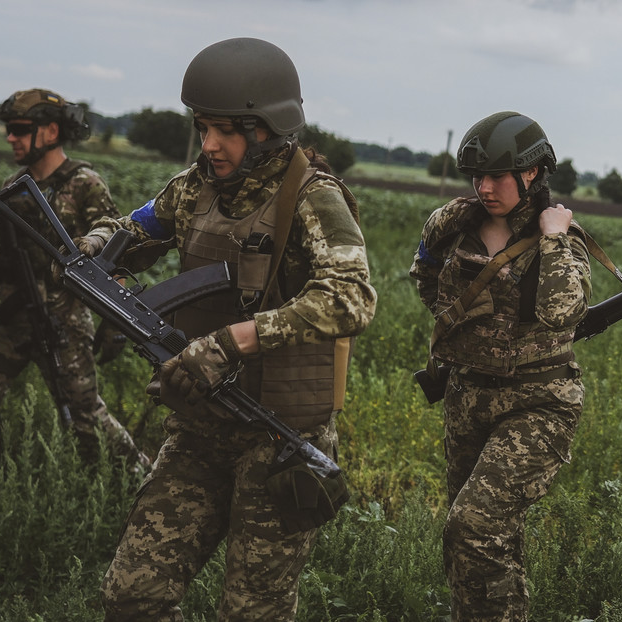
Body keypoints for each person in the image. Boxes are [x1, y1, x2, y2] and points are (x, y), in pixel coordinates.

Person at [91, 38, 376, 620]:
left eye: (224, 131)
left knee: (253, 612)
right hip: (200, 427)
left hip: (275, 436)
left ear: (266, 128)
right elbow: (135, 229)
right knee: (132, 597)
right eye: (202, 128)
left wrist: (234, 341)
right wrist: (93, 250)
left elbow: (352, 296)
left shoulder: (313, 198)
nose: (210, 145)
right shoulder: (196, 186)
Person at [409, 111, 590, 620]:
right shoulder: (455, 226)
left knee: (473, 526)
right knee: (478, 541)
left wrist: (553, 237)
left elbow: (561, 312)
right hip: (468, 398)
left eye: (496, 176)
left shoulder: (563, 239)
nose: (484, 187)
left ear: (530, 173)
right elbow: (426, 281)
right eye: (477, 176)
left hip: (539, 404)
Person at [0, 88, 145, 468]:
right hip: (14, 318)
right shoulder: (13, 185)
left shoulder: (85, 184)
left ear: (51, 132)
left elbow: (114, 260)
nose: (11, 137)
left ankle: (140, 475)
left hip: (64, 324)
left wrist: (117, 324)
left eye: (20, 129)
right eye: (9, 129)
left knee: (86, 419)